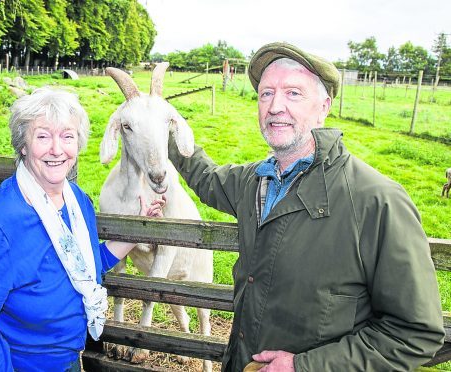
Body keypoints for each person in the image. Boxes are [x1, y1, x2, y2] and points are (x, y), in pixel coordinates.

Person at [167, 42, 445, 371]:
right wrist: (163, 130)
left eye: (293, 93)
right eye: (266, 94)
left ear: (323, 106)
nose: (275, 106)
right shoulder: (254, 181)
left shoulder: (376, 201)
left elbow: (414, 333)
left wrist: (304, 366)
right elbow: (208, 179)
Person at [0, 87, 165, 371]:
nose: (57, 150)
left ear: (78, 144)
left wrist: (137, 223)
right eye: (43, 136)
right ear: (23, 145)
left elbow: (84, 263)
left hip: (63, 359)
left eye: (67, 136)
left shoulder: (76, 201)